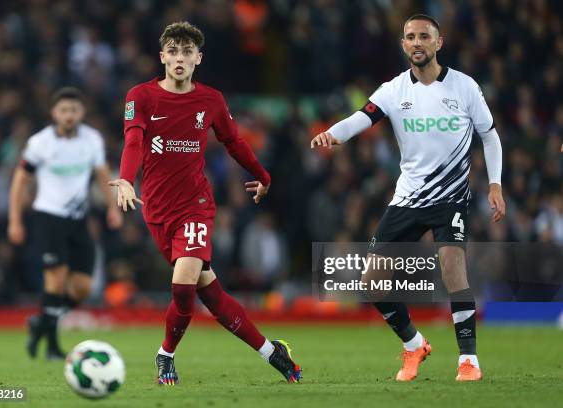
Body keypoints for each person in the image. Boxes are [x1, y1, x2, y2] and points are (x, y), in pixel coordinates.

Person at [311, 14, 505, 382]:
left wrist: (495, 184)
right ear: (403, 44)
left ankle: (469, 360)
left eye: (424, 37)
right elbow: (361, 117)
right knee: (371, 281)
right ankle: (415, 345)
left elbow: (490, 136)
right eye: (410, 37)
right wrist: (332, 134)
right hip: (408, 199)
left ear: (438, 43)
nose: (417, 43)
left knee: (452, 268)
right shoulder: (394, 90)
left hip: (451, 198)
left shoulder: (464, 87)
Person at [108, 21, 301, 385]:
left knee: (182, 286)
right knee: (208, 293)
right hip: (157, 209)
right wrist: (126, 179)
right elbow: (133, 140)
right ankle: (271, 351)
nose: (180, 58)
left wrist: (264, 175)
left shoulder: (210, 100)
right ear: (162, 56)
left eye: (187, 52)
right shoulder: (140, 96)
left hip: (196, 205)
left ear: (198, 58)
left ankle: (165, 355)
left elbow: (234, 142)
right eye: (173, 51)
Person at [8, 87, 122, 359]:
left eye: (73, 110)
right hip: (49, 217)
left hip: (78, 220)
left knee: (82, 286)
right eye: (63, 110)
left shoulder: (92, 140)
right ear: (54, 113)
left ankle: (41, 323)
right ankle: (53, 347)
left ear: (81, 113)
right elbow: (20, 179)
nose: (69, 115)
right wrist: (15, 220)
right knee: (56, 281)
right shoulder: (40, 143)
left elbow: (101, 173)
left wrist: (112, 208)